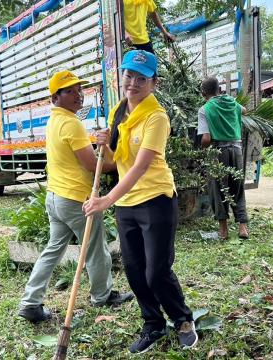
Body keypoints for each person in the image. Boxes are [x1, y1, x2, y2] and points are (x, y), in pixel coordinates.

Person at [83, 50, 198, 354]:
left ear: (153, 83)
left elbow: (140, 166)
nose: (132, 83)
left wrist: (106, 199)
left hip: (156, 200)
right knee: (134, 269)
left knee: (156, 271)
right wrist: (103, 145)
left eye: (141, 79)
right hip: (127, 204)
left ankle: (183, 320)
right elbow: (113, 161)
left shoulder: (157, 118)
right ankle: (153, 324)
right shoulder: (119, 111)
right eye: (128, 75)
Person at [18, 70, 133, 323]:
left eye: (79, 89)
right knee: (95, 248)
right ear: (55, 97)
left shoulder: (54, 120)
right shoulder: (71, 123)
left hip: (55, 197)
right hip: (76, 200)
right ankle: (102, 295)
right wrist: (123, 163)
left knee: (53, 249)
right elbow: (94, 165)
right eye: (69, 91)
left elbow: (77, 158)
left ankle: (30, 301)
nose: (77, 95)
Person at [198, 77, 249, 240]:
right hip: (237, 148)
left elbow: (206, 139)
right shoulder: (232, 102)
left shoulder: (205, 109)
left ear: (203, 92)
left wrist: (201, 149)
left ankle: (223, 230)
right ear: (219, 90)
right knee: (238, 188)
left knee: (218, 189)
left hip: (218, 151)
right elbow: (245, 110)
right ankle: (242, 227)